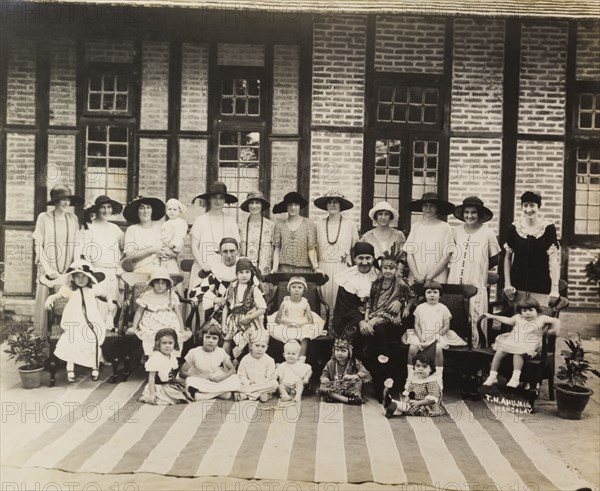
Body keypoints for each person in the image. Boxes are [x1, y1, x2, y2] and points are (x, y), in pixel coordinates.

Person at [333, 241, 399, 398]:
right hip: (350, 319)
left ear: (373, 258)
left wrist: (399, 301)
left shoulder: (381, 276)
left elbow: (397, 292)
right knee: (354, 334)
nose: (364, 262)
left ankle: (382, 385)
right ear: (354, 259)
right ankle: (350, 384)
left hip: (376, 318)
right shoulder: (346, 278)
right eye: (360, 258)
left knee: (381, 334)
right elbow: (344, 307)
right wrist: (360, 321)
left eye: (368, 258)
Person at [44, 260, 111, 383]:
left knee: (93, 339)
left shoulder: (93, 288)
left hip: (92, 321)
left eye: (83, 276)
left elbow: (106, 295)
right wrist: (49, 298)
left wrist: (110, 303)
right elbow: (56, 296)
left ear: (89, 277)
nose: (81, 279)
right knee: (72, 340)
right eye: (77, 276)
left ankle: (95, 366)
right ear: (73, 278)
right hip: (73, 321)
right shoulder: (69, 289)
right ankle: (70, 368)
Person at [447, 196, 500, 347]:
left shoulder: (487, 233)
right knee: (455, 317)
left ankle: (476, 355)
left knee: (475, 319)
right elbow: (449, 254)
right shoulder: (456, 232)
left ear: (480, 214)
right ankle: (455, 353)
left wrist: (480, 268)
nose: (469, 216)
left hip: (476, 284)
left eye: (473, 212)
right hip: (455, 282)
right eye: (467, 212)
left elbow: (496, 258)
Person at [32, 184, 83, 337]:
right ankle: (42, 344)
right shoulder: (44, 217)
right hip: (49, 269)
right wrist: (47, 269)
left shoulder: (73, 218)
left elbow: (76, 244)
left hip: (67, 269)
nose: (66, 203)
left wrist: (75, 264)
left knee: (67, 305)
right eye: (62, 199)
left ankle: (66, 343)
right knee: (45, 306)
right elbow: (38, 245)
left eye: (68, 199)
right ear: (55, 201)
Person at [483, 297, 561, 388]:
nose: (527, 313)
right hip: (514, 340)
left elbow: (556, 321)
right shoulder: (518, 317)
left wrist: (554, 330)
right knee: (499, 351)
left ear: (537, 310)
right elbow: (507, 320)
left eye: (531, 310)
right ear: (520, 312)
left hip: (530, 342)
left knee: (518, 353)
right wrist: (492, 316)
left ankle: (515, 378)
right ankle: (493, 375)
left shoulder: (542, 318)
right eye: (524, 311)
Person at [503, 191, 561, 308]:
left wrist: (555, 289)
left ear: (538, 206)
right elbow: (507, 259)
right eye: (525, 205)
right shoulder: (514, 228)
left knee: (538, 320)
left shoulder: (548, 228)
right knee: (516, 320)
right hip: (516, 285)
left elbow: (554, 261)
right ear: (521, 207)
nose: (528, 209)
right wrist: (507, 284)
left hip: (541, 283)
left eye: (532, 205)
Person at [403, 281, 466, 387]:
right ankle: (411, 377)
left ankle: (438, 378)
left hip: (439, 334)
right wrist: (420, 336)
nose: (432, 295)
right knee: (413, 348)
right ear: (425, 294)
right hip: (421, 334)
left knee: (437, 349)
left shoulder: (443, 308)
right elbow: (417, 325)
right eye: (429, 292)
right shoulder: (420, 307)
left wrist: (436, 336)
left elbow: (446, 326)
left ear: (440, 294)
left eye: (435, 292)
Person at [365, 245, 416, 367]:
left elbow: (413, 296)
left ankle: (384, 359)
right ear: (381, 269)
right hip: (375, 311)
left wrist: (407, 307)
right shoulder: (376, 282)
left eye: (391, 268)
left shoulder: (400, 282)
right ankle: (373, 360)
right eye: (385, 268)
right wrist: (366, 315)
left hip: (391, 314)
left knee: (373, 326)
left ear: (396, 270)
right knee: (372, 330)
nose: (388, 271)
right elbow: (369, 300)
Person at [80, 195, 124, 331]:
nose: (106, 210)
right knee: (98, 306)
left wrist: (120, 265)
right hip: (97, 273)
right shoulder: (89, 227)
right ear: (97, 209)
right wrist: (90, 275)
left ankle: (112, 337)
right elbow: (84, 253)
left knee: (113, 305)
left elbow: (124, 249)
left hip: (113, 274)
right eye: (103, 207)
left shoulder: (115, 228)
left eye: (109, 207)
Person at [188, 182, 240, 299]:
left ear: (225, 200)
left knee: (223, 302)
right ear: (209, 200)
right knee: (201, 300)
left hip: (224, 269)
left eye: (221, 198)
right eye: (214, 198)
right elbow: (194, 247)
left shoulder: (230, 221)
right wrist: (202, 264)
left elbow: (237, 247)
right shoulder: (200, 220)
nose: (218, 201)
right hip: (204, 267)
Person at [130, 267, 191, 358]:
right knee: (151, 336)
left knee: (174, 335)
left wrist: (182, 328)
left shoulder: (171, 295)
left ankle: (170, 360)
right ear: (152, 283)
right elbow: (139, 312)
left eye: (163, 283)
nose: (160, 286)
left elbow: (178, 313)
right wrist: (134, 326)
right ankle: (152, 357)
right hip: (151, 322)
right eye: (157, 283)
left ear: (167, 284)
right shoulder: (146, 295)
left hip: (169, 321)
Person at [314, 190, 359, 311]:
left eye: (335, 202)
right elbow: (313, 248)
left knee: (341, 303)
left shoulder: (349, 225)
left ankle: (338, 329)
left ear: (341, 205)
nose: (332, 205)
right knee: (324, 302)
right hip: (324, 268)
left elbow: (356, 248)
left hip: (343, 269)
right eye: (329, 202)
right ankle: (324, 329)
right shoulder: (318, 224)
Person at [179, 321, 241, 401]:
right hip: (199, 379)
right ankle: (221, 393)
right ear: (202, 337)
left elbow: (233, 370)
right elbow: (182, 373)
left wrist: (222, 378)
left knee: (235, 379)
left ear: (218, 340)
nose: (210, 341)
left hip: (214, 379)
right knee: (190, 381)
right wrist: (200, 377)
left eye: (214, 338)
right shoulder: (194, 352)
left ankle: (206, 395)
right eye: (207, 337)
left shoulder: (221, 352)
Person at [267, 276, 325, 360]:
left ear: (304, 290)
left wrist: (302, 324)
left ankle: (301, 359)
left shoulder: (305, 303)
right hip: (287, 320)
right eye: (293, 287)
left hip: (302, 321)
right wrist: (286, 323)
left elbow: (310, 320)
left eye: (300, 287)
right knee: (287, 333)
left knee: (304, 335)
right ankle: (289, 356)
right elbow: (277, 319)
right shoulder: (285, 303)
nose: (296, 289)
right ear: (289, 289)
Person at [403, 192, 455, 284]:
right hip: (417, 277)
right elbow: (409, 254)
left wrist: (429, 277)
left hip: (437, 277)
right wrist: (416, 276)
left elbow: (446, 256)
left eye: (432, 206)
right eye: (425, 205)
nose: (428, 209)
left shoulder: (444, 227)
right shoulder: (416, 227)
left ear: (437, 208)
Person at [222, 258, 268, 360]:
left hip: (249, 319)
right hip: (233, 318)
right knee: (227, 339)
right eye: (241, 272)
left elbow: (262, 309)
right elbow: (226, 306)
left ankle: (250, 361)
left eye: (247, 272)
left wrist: (250, 317)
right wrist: (224, 324)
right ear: (236, 274)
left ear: (251, 273)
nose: (244, 275)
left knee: (253, 338)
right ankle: (225, 363)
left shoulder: (254, 288)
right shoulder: (232, 287)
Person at [191, 237, 240, 324]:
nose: (229, 255)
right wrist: (215, 299)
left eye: (232, 251)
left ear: (237, 251)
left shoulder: (244, 269)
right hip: (220, 312)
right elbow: (194, 292)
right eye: (225, 252)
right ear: (220, 253)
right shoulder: (216, 271)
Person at [318, 327, 371, 405]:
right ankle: (348, 400)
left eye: (343, 351)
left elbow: (365, 373)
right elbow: (324, 375)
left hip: (349, 386)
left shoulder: (354, 362)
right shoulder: (331, 363)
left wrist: (354, 376)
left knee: (357, 382)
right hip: (335, 386)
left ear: (350, 352)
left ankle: (340, 398)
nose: (339, 353)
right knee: (323, 386)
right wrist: (324, 379)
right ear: (333, 351)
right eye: (337, 350)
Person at [138, 328, 192, 405]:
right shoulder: (155, 358)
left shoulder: (172, 356)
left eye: (170, 343)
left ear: (174, 344)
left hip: (169, 384)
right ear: (158, 344)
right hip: (158, 386)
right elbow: (152, 377)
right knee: (170, 399)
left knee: (184, 394)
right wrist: (152, 394)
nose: (167, 346)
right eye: (164, 343)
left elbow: (171, 372)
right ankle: (152, 397)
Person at [383, 354, 446, 418]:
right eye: (418, 366)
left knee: (409, 408)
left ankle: (392, 402)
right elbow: (410, 394)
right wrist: (405, 403)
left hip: (427, 405)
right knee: (406, 407)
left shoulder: (431, 381)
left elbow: (432, 399)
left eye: (424, 366)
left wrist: (419, 403)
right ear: (414, 367)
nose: (420, 369)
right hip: (415, 402)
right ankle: (394, 409)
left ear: (431, 369)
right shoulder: (414, 379)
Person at [122, 196, 168, 274]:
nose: (145, 211)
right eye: (141, 208)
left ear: (152, 210)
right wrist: (151, 250)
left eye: (148, 207)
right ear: (136, 211)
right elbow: (129, 255)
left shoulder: (160, 228)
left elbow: (167, 249)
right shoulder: (132, 230)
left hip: (160, 271)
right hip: (140, 270)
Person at [238, 191, 275, 279]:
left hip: (264, 272)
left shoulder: (271, 226)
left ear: (262, 205)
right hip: (245, 274)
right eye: (251, 203)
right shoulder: (240, 226)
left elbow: (274, 249)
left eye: (257, 203)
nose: (254, 206)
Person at [235, 330, 279, 402]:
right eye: (257, 345)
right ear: (250, 346)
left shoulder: (270, 360)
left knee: (275, 384)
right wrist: (249, 383)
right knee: (236, 382)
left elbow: (269, 377)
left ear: (267, 348)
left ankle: (246, 395)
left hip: (263, 384)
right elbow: (241, 375)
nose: (260, 349)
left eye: (263, 346)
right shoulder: (245, 359)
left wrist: (260, 384)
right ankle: (263, 395)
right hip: (250, 384)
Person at [161, 198, 189, 276]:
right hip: (163, 248)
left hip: (172, 248)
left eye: (174, 209)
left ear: (179, 212)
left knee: (172, 269)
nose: (172, 211)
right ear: (166, 211)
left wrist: (173, 245)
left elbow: (180, 236)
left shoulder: (180, 223)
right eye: (169, 209)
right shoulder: (165, 223)